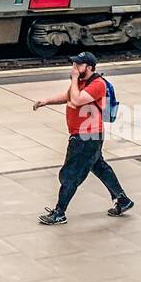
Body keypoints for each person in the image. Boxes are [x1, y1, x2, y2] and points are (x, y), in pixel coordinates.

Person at [32, 52, 133, 225]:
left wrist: (73, 79)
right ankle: (122, 200)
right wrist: (46, 101)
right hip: (84, 135)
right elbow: (68, 96)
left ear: (89, 67)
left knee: (70, 174)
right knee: (99, 167)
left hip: (87, 137)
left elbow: (77, 100)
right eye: (74, 64)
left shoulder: (97, 84)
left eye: (78, 65)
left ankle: (59, 212)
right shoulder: (80, 82)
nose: (74, 68)